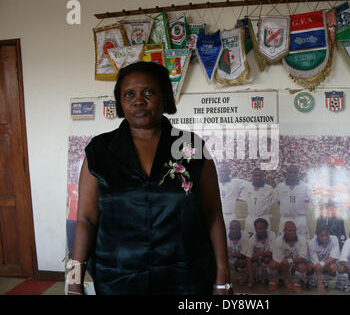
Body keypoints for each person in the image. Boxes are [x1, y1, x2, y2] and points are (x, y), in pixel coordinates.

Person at [68, 61, 231, 295]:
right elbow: (85, 220)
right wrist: (74, 283)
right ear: (120, 103)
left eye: (148, 92)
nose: (138, 100)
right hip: (117, 280)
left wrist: (222, 280)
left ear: (164, 97)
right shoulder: (98, 151)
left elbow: (213, 215)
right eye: (129, 94)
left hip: (186, 279)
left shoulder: (192, 147)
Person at [271, 165, 311, 238]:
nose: (292, 174)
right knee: (282, 244)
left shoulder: (305, 187)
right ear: (286, 173)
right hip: (285, 219)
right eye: (290, 172)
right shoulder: (280, 187)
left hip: (300, 220)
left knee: (302, 244)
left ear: (298, 173)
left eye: (295, 172)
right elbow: (271, 201)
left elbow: (314, 200)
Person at [271, 221, 309, 292]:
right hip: (282, 264)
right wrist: (286, 281)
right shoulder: (278, 240)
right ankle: (276, 281)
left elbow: (303, 257)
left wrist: (289, 261)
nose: (292, 232)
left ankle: (296, 282)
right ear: (284, 230)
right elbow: (279, 261)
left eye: (294, 230)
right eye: (289, 230)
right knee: (272, 265)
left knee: (302, 267)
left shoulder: (302, 239)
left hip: (294, 264)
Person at [242, 218, 278, 290]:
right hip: (258, 259)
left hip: (270, 258)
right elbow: (248, 257)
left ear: (266, 228)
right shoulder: (252, 239)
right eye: (256, 228)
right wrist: (251, 276)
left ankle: (273, 280)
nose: (258, 231)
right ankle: (250, 276)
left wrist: (257, 255)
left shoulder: (272, 235)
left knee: (268, 260)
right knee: (247, 262)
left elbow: (271, 252)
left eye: (261, 228)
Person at [306, 224, 340, 293]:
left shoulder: (334, 239)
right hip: (316, 266)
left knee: (333, 266)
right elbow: (316, 265)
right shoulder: (311, 243)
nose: (325, 238)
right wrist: (320, 283)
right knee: (308, 265)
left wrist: (322, 264)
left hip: (327, 264)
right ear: (317, 235)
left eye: (327, 235)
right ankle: (310, 280)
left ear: (329, 234)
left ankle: (331, 281)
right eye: (322, 236)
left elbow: (333, 258)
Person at [241, 168, 274, 237]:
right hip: (251, 218)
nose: (258, 177)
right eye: (255, 175)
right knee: (248, 240)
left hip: (264, 218)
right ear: (252, 176)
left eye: (260, 176)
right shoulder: (247, 187)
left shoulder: (269, 188)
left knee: (264, 242)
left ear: (263, 177)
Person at [218, 164, 247, 229]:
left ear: (229, 172)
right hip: (218, 217)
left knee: (230, 236)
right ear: (219, 172)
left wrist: (242, 196)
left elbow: (249, 186)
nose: (223, 173)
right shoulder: (216, 183)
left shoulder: (236, 182)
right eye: (221, 171)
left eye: (225, 171)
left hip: (230, 216)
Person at [226, 220, 248, 285]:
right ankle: (224, 277)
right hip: (226, 259)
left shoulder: (245, 236)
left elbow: (243, 254)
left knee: (243, 263)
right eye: (232, 228)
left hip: (238, 259)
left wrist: (228, 254)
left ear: (240, 229)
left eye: (237, 228)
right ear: (229, 228)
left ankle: (241, 277)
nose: (234, 231)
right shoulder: (224, 235)